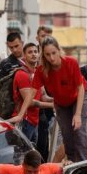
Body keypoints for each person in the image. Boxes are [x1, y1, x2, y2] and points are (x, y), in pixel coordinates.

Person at [31, 36, 87, 162]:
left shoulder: (71, 62)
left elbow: (80, 88)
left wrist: (78, 114)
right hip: (62, 103)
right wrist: (20, 115)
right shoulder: (41, 70)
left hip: (80, 95)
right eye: (47, 54)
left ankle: (83, 162)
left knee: (78, 130)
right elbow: (31, 92)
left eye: (53, 53)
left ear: (59, 50)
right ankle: (72, 162)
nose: (51, 58)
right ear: (43, 55)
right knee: (67, 134)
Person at [9, 42, 53, 145]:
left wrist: (59, 100)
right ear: (24, 56)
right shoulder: (22, 74)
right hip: (24, 121)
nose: (33, 54)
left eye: (35, 52)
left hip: (34, 122)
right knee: (22, 155)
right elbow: (30, 102)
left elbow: (44, 97)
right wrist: (52, 105)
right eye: (30, 52)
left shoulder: (37, 74)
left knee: (31, 156)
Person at [35, 25, 55, 160]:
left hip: (50, 106)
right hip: (36, 106)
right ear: (37, 38)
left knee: (50, 143)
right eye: (43, 36)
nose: (45, 39)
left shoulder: (54, 56)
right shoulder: (32, 54)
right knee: (38, 143)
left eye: (48, 37)